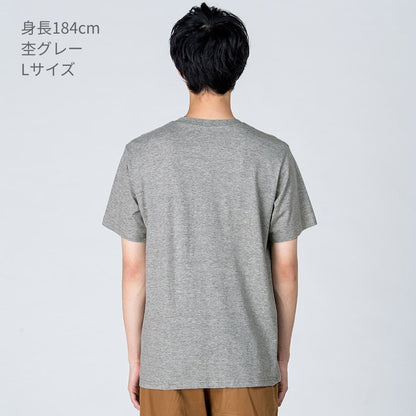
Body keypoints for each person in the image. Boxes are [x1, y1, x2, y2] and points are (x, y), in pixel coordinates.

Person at [102, 2, 317, 415]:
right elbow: (286, 270)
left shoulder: (141, 155)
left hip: (167, 363)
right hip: (248, 360)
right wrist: (281, 358)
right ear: (239, 66)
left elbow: (133, 271)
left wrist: (136, 360)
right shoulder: (272, 155)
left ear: (180, 69)